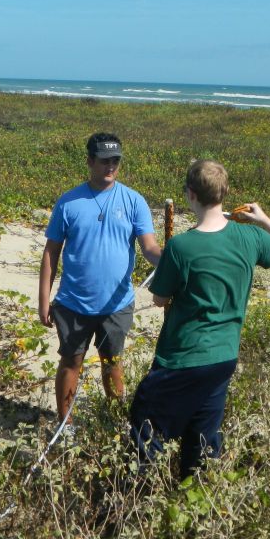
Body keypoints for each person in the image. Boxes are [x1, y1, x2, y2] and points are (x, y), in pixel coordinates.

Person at [129, 159, 270, 479]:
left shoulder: (180, 246)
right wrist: (265, 221)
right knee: (202, 439)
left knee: (146, 426)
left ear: (191, 194)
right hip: (223, 356)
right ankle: (195, 500)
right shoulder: (251, 238)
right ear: (224, 194)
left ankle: (137, 498)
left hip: (181, 357)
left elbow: (159, 299)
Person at [39, 132, 162, 425]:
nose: (111, 167)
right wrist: (44, 300)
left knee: (112, 363)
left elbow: (149, 247)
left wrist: (172, 260)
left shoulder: (134, 201)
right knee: (71, 363)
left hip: (117, 304)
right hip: (73, 303)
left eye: (116, 161)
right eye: (105, 161)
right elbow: (51, 252)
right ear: (90, 161)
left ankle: (114, 422)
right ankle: (65, 424)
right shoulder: (68, 202)